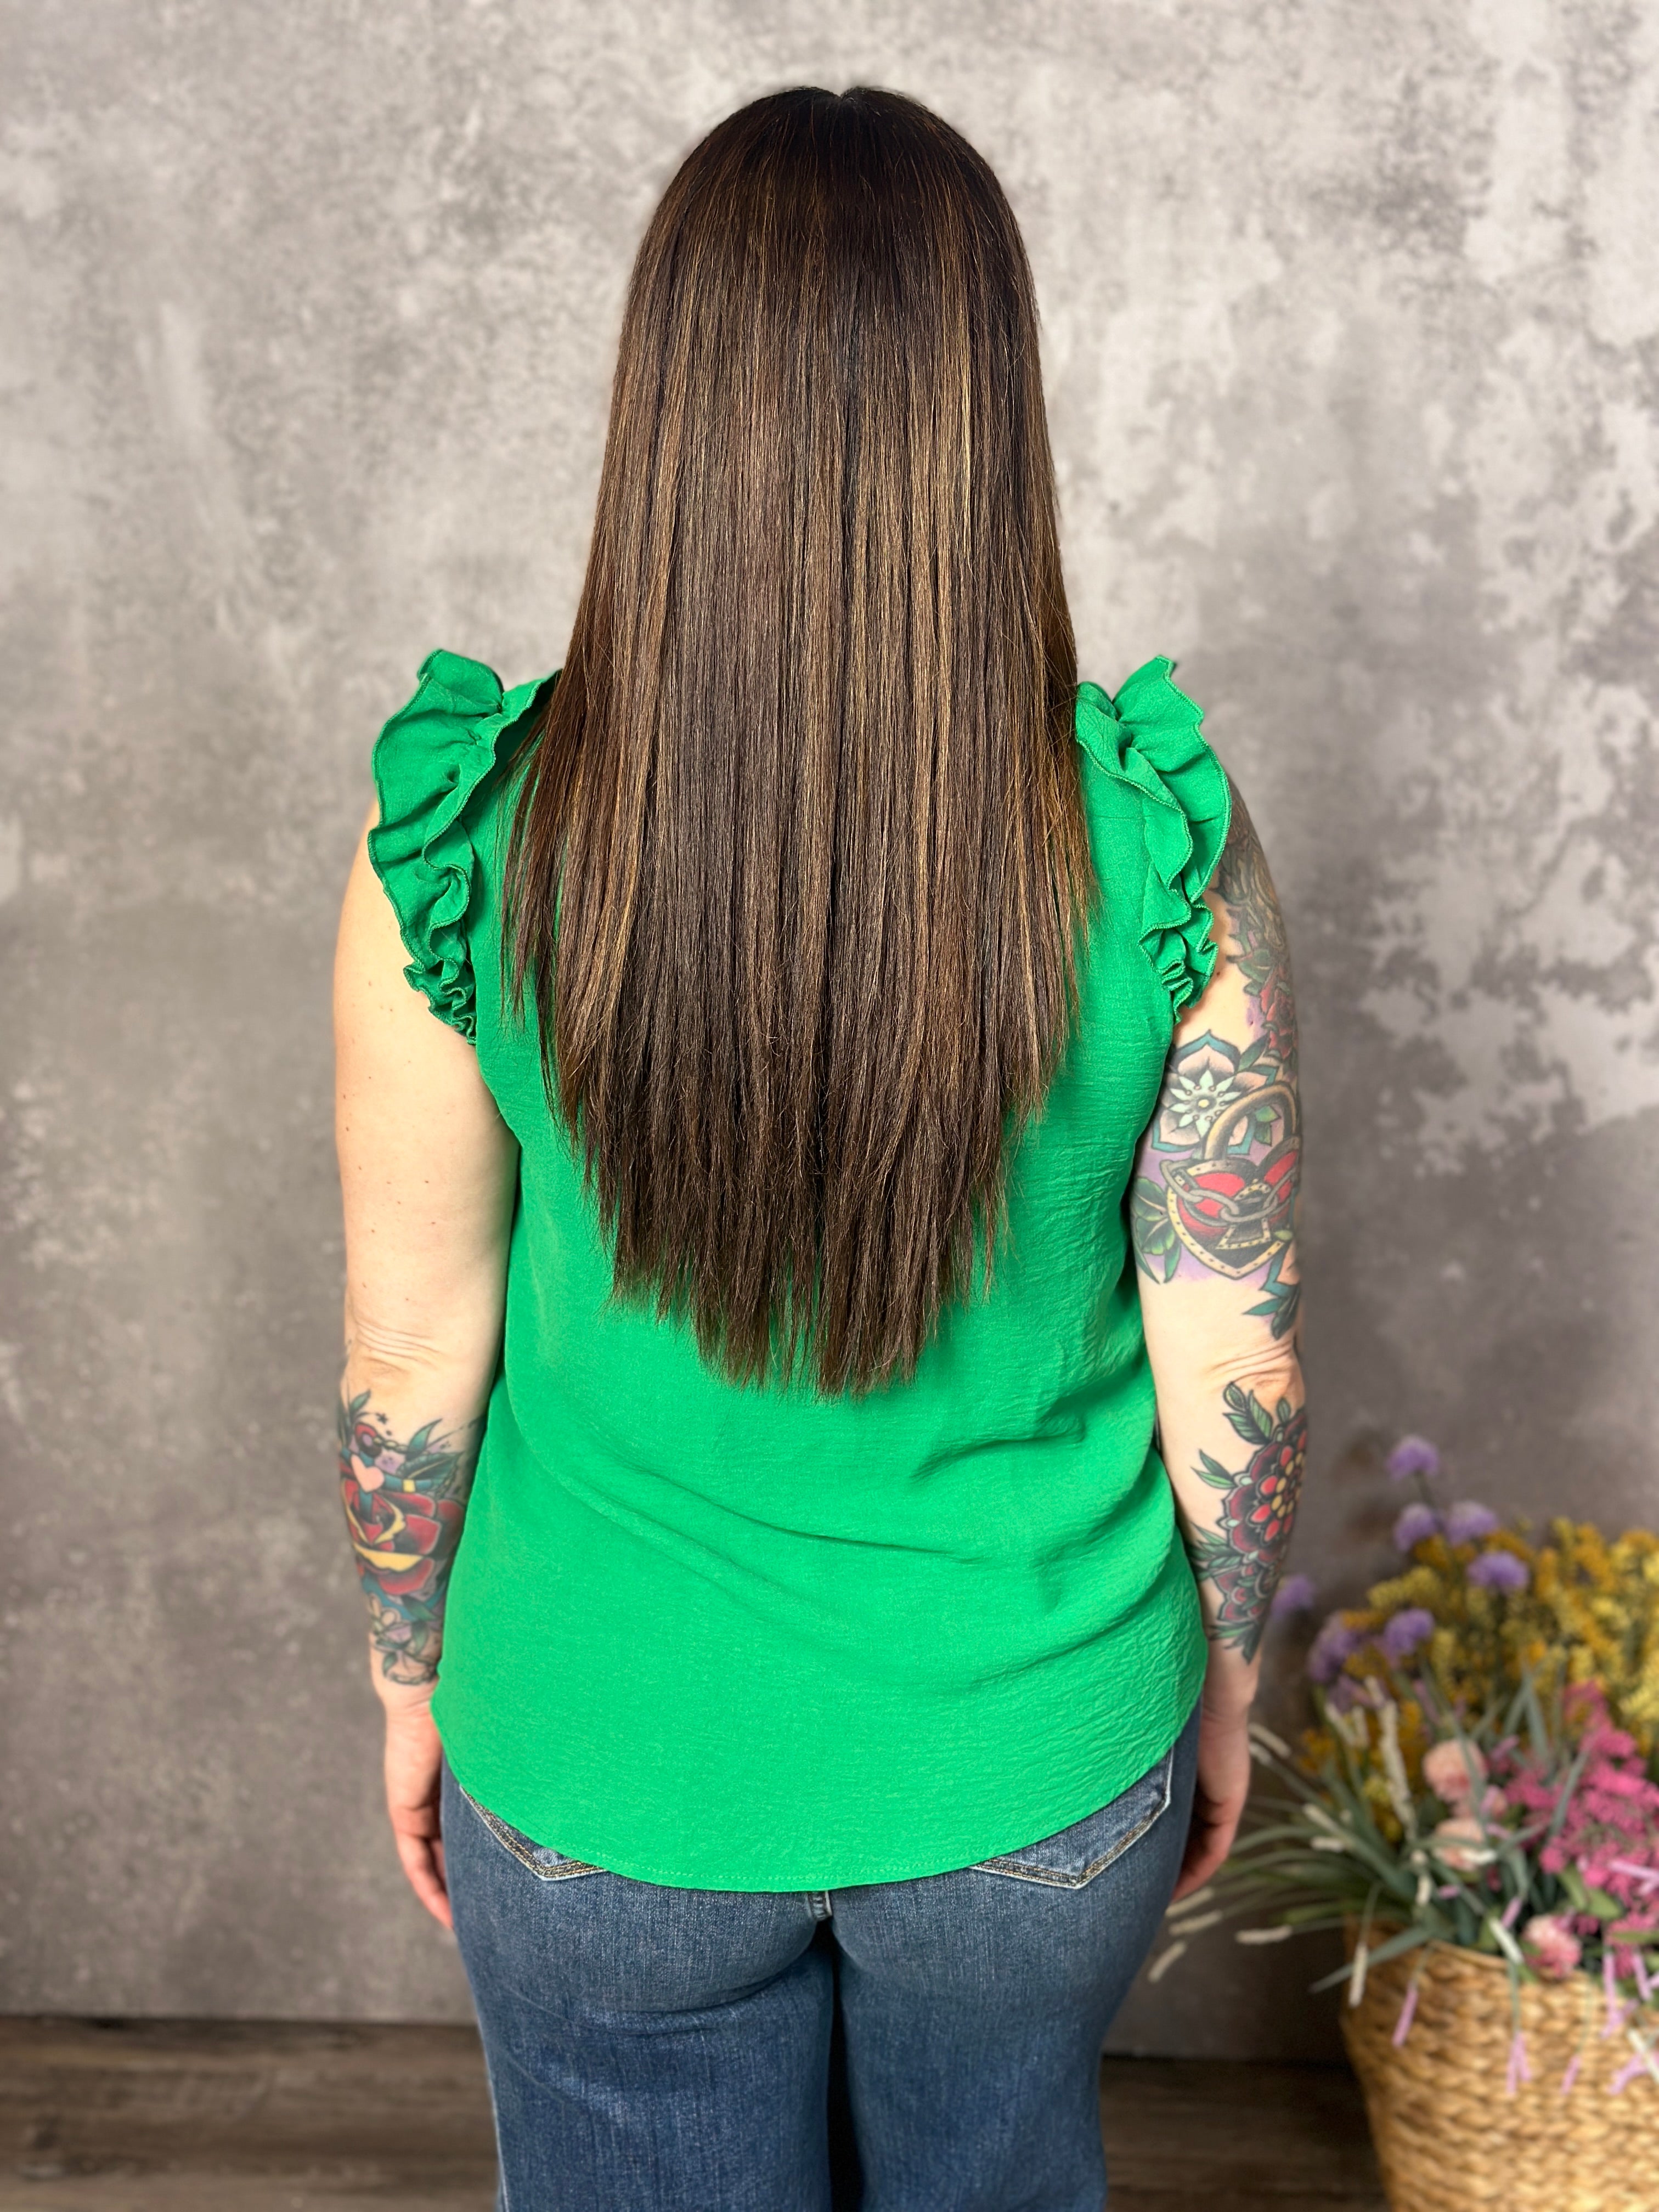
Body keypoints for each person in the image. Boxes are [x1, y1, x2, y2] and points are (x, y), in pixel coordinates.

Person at [332, 84, 1305, 2212]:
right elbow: (1233, 1347)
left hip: (602, 1761)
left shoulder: (466, 845)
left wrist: (412, 1686)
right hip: (1035, 1761)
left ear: (666, 409)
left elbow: (411, 1359)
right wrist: (1223, 1683)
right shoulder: (1161, 849)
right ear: (991, 413)